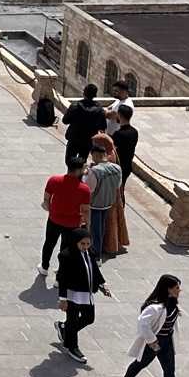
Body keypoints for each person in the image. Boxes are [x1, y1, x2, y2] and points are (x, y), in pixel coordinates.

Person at [120, 274, 189, 377]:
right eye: (177, 287)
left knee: (169, 370)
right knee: (141, 363)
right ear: (168, 289)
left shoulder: (172, 302)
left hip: (167, 342)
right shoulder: (155, 307)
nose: (179, 290)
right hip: (155, 342)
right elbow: (143, 324)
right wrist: (152, 341)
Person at [39, 150, 92, 288]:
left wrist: (52, 210)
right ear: (79, 170)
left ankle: (44, 267)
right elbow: (85, 210)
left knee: (49, 243)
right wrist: (87, 225)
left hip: (54, 219)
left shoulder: (54, 180)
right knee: (66, 250)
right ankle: (59, 278)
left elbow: (46, 200)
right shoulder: (84, 189)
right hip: (73, 223)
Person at [54, 229, 108, 362]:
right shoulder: (66, 256)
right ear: (76, 242)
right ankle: (72, 347)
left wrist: (102, 284)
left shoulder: (90, 252)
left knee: (89, 318)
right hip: (73, 294)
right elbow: (62, 278)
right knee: (72, 320)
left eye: (87, 244)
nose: (85, 247)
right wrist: (63, 299)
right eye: (82, 244)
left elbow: (94, 270)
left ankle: (65, 328)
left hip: (87, 293)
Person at [84, 133, 123, 262]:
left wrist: (86, 173)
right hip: (108, 202)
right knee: (101, 228)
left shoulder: (95, 171)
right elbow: (118, 185)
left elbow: (88, 188)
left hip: (95, 204)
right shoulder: (117, 168)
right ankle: (98, 253)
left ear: (95, 155)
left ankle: (96, 255)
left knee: (95, 230)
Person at [107, 102, 139, 257]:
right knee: (122, 191)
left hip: (118, 167)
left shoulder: (119, 135)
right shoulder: (134, 132)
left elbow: (112, 149)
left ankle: (117, 218)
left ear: (120, 116)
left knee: (116, 194)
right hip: (127, 167)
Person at [62, 83, 108, 160]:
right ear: (95, 95)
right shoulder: (99, 109)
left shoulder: (75, 106)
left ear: (84, 93)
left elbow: (65, 121)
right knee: (82, 161)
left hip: (74, 138)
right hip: (88, 141)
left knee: (70, 161)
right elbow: (102, 127)